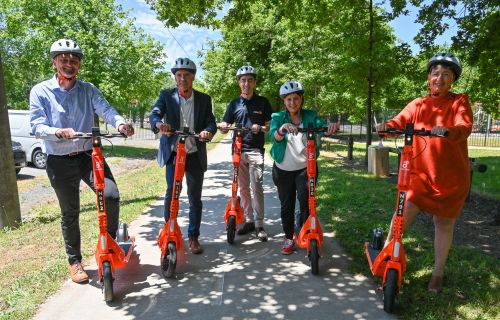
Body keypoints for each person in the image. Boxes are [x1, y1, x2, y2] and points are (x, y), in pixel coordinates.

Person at [30, 39, 135, 283]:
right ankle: (75, 262)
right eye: (64, 59)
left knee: (110, 195)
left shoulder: (88, 89)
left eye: (74, 60)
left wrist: (120, 123)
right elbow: (36, 125)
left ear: (79, 65)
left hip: (89, 155)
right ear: (55, 62)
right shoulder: (40, 91)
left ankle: (108, 245)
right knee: (70, 211)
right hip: (59, 159)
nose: (69, 64)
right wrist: (57, 131)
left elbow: (106, 109)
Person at [376, 52, 473, 293]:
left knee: (443, 224)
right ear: (429, 77)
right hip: (420, 175)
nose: (439, 78)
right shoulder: (418, 104)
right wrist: (386, 128)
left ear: (452, 80)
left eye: (446, 75)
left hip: (451, 178)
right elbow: (400, 121)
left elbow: (464, 125)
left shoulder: (459, 101)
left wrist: (448, 130)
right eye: (436, 73)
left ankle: (438, 273)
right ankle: (388, 250)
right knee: (402, 213)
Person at [149, 57, 216, 254]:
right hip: (173, 153)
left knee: (195, 197)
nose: (182, 79)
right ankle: (170, 230)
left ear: (193, 77)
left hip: (194, 153)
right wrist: (160, 124)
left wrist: (208, 132)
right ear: (175, 77)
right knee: (172, 192)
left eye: (186, 75)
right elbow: (155, 114)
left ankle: (193, 236)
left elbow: (211, 122)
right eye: (178, 75)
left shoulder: (204, 99)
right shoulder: (166, 95)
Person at [269, 80, 338, 254]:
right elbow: (274, 136)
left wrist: (329, 128)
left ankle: (306, 230)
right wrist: (283, 129)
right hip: (283, 169)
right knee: (287, 204)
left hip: (305, 168)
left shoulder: (310, 116)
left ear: (301, 99)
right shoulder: (278, 117)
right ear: (284, 101)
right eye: (289, 99)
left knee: (307, 201)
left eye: (296, 98)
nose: (292, 102)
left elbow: (322, 128)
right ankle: (288, 237)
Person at [218, 65, 273, 241]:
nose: (246, 83)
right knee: (243, 188)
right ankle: (248, 220)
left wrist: (261, 127)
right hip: (238, 151)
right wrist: (223, 127)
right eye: (243, 80)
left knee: (256, 187)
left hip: (255, 150)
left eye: (250, 80)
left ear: (254, 82)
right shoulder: (234, 103)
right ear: (239, 83)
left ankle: (259, 224)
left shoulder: (263, 102)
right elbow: (225, 127)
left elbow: (270, 126)